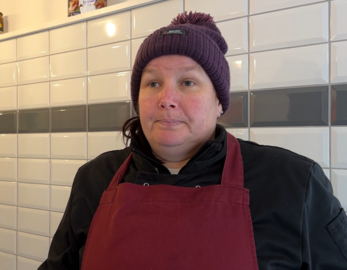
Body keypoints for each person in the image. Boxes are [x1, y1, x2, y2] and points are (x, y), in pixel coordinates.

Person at [39, 11, 347, 270]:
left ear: (219, 102)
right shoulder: (94, 179)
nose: (166, 98)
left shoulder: (294, 182)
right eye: (153, 83)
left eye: (188, 82)